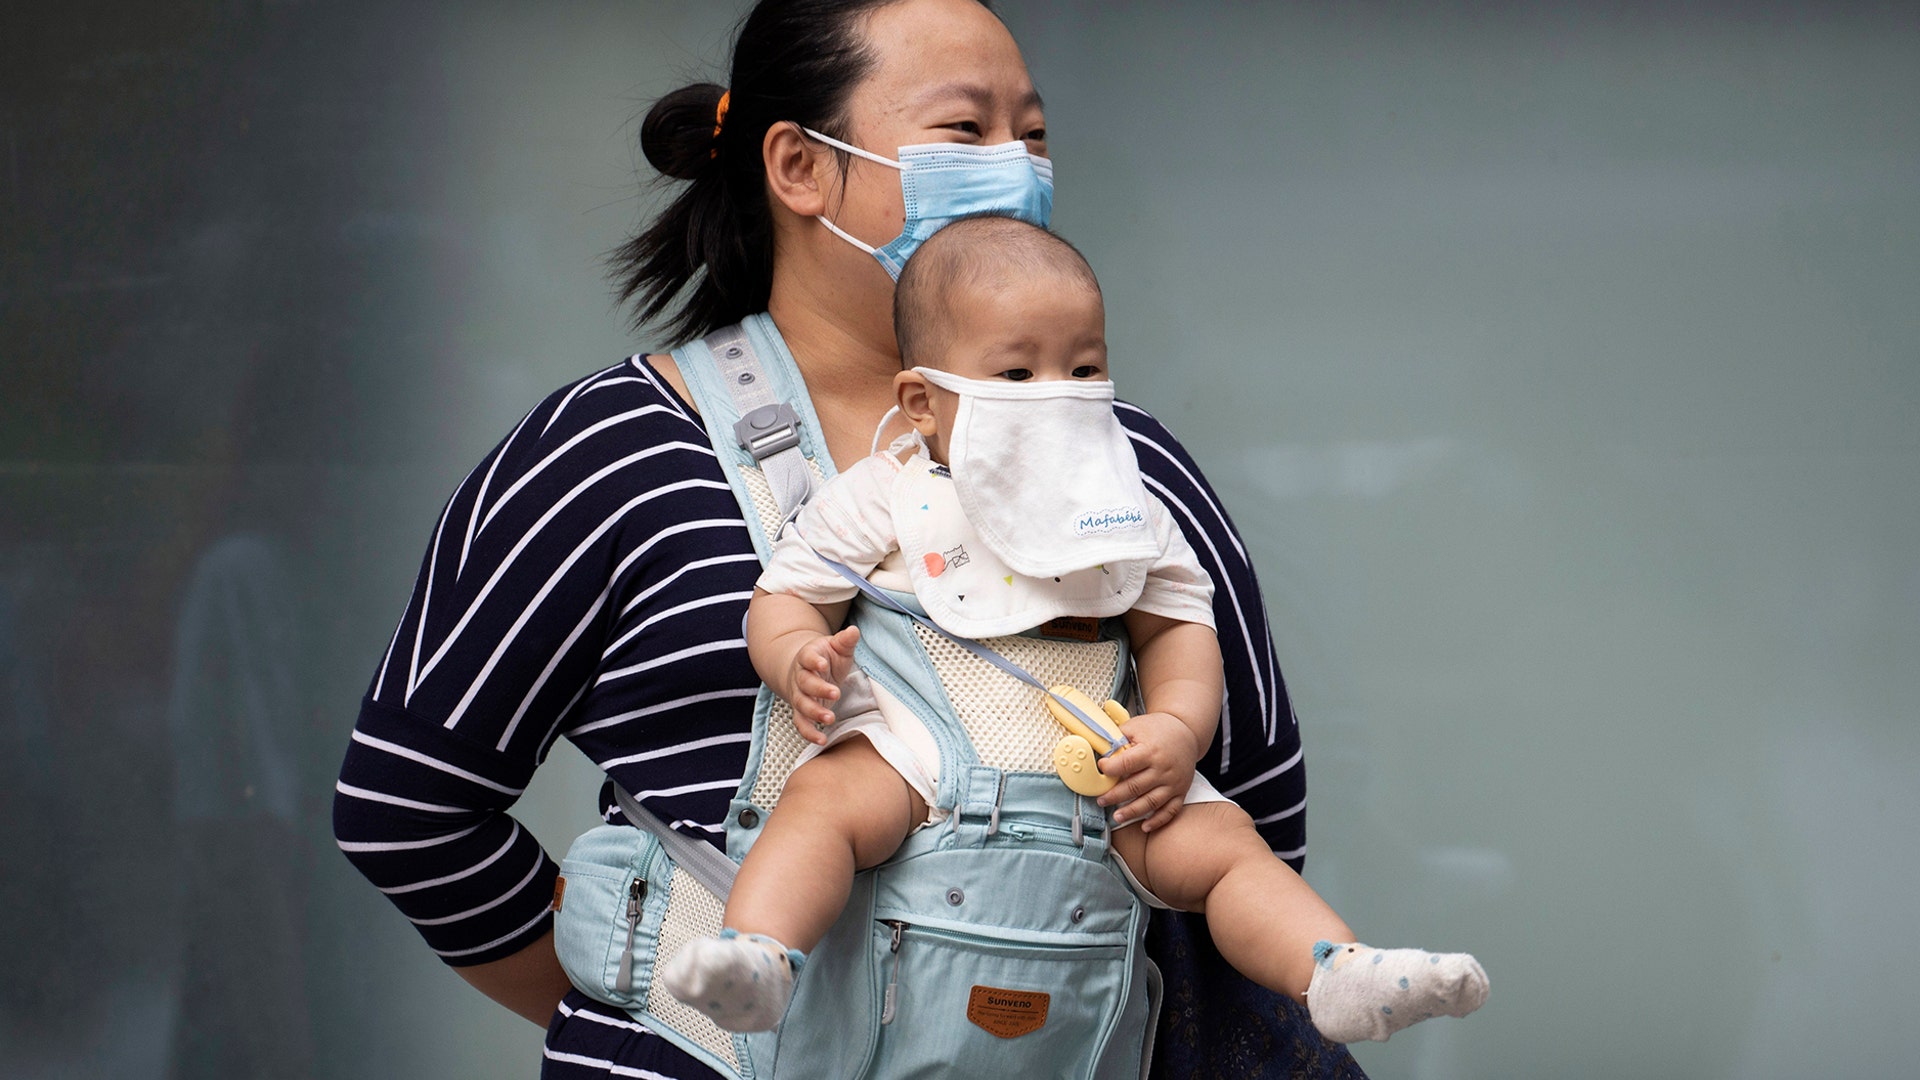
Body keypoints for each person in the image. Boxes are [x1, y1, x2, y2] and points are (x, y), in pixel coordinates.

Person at [334, 1, 1352, 1075]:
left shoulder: (1132, 468)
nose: (1015, 167)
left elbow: (1250, 816)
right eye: (966, 131)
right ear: (799, 167)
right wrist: (650, 989)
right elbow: (409, 804)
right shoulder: (603, 454)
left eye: (1035, 134)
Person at [658, 216, 1488, 1044]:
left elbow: (1177, 631)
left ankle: (1334, 970)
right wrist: (798, 659)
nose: (1056, 390)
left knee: (1227, 844)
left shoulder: (1129, 508)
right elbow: (785, 598)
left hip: (1106, 788)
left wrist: (1174, 728)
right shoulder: (883, 493)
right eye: (1017, 372)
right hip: (916, 768)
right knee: (822, 800)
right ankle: (762, 957)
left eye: (1083, 367)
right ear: (922, 402)